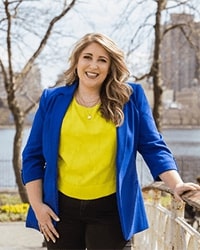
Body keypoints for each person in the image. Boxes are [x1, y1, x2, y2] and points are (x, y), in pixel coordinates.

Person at [21, 33, 200, 250]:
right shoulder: (52, 99)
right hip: (59, 210)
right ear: (77, 61)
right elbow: (32, 157)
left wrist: (177, 184)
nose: (93, 65)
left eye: (102, 60)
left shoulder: (130, 97)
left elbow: (153, 147)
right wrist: (38, 206)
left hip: (112, 211)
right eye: (87, 57)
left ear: (110, 66)